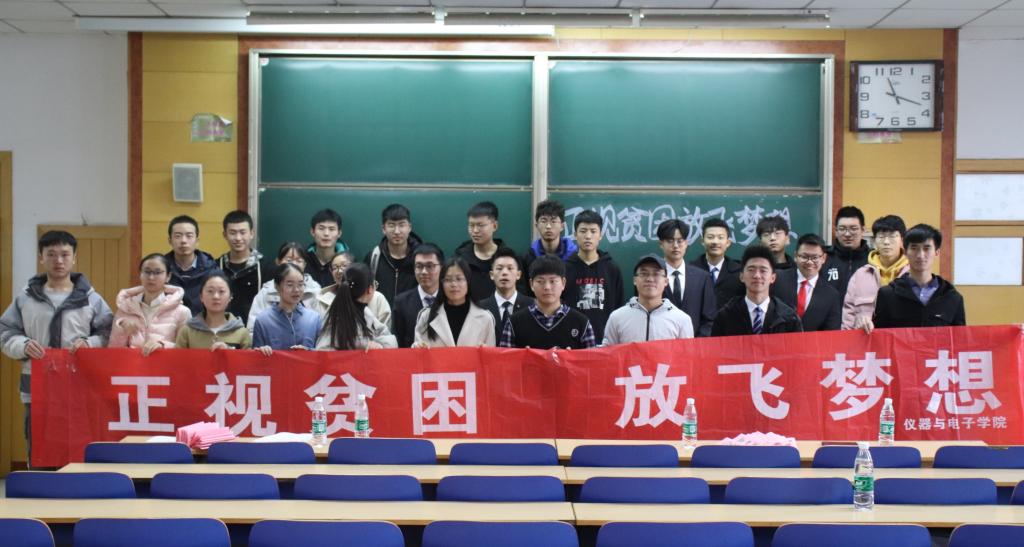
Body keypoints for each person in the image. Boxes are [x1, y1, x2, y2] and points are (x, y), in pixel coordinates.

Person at [0, 230, 113, 460]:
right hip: (37, 387)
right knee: (40, 449)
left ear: (74, 258)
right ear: (41, 258)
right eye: (51, 254)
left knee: (78, 449)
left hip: (79, 386)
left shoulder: (91, 299)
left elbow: (109, 333)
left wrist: (90, 343)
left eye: (64, 254)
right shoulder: (25, 298)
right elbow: (5, 331)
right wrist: (22, 345)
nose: (58, 260)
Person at [869, 224, 966, 331]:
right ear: (905, 252)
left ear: (937, 252)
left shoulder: (952, 297)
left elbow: (959, 338)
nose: (920, 255)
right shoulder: (887, 295)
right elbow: (879, 336)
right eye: (914, 248)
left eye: (926, 248)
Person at [499, 255, 596, 350]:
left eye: (553, 281)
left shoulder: (582, 323)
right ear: (531, 284)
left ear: (563, 283)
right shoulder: (514, 323)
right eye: (540, 281)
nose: (547, 287)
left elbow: (591, 360)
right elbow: (504, 359)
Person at [108, 253, 192, 355]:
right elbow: (113, 351)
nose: (151, 277)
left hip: (166, 364)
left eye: (157, 272)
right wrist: (122, 330)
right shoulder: (126, 308)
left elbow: (186, 350)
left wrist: (163, 345)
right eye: (147, 272)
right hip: (132, 364)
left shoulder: (182, 312)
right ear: (140, 274)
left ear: (168, 276)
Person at [711, 245, 802, 337]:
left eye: (763, 270)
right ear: (741, 276)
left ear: (773, 278)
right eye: (751, 270)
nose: (757, 276)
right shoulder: (725, 316)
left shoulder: (789, 317)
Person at [563, 210, 625, 342]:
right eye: (583, 231)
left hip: (605, 339)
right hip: (571, 339)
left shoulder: (611, 268)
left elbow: (619, 306)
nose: (588, 236)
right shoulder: (565, 268)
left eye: (593, 231)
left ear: (600, 235)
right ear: (575, 235)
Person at [603, 255, 694, 345]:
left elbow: (687, 353)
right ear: (634, 280)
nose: (650, 279)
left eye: (656, 274)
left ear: (666, 281)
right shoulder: (617, 317)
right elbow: (607, 352)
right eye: (644, 274)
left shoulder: (682, 320)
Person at [842, 215, 910, 330]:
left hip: (902, 339)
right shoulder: (860, 275)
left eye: (892, 236)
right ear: (874, 241)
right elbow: (848, 316)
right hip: (866, 338)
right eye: (881, 237)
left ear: (902, 240)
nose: (886, 242)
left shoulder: (912, 274)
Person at [413, 257, 496, 348]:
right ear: (441, 283)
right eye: (448, 280)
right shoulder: (426, 316)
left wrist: (485, 351)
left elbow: (491, 354)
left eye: (459, 279)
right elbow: (418, 352)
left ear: (468, 281)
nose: (454, 284)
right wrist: (418, 347)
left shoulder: (485, 318)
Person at [656, 218, 716, 337]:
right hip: (661, 343)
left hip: (695, 344)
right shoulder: (652, 277)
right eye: (670, 241)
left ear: (686, 243)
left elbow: (709, 319)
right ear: (661, 244)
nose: (676, 246)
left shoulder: (702, 277)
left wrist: (697, 343)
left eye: (680, 241)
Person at [316, 263, 397, 350]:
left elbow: (388, 339)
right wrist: (363, 345)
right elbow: (323, 350)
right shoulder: (337, 315)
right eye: (375, 284)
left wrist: (378, 345)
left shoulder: (365, 312)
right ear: (370, 289)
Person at [771, 234, 842, 332]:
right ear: (795, 256)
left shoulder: (831, 294)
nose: (809, 262)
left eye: (815, 257)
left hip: (813, 341)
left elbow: (831, 332)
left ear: (823, 258)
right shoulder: (777, 279)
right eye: (804, 257)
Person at [248, 242, 322, 331]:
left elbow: (322, 328)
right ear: (278, 262)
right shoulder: (266, 291)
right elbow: (253, 328)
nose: (294, 264)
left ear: (305, 264)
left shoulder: (315, 291)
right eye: (289, 260)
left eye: (299, 261)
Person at [175, 272, 256, 350]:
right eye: (210, 291)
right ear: (201, 297)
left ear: (230, 297)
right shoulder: (187, 331)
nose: (216, 296)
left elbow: (247, 358)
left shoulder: (241, 332)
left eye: (221, 291)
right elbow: (178, 358)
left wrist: (229, 350)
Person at [454, 201, 514, 303]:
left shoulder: (509, 258)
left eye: (480, 225)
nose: (475, 230)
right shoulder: (460, 258)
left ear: (494, 226)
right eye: (471, 225)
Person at [216, 210, 270, 325]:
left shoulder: (266, 267)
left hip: (255, 330)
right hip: (222, 329)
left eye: (242, 232)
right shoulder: (215, 266)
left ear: (252, 233)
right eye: (232, 233)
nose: (238, 238)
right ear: (225, 235)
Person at [252, 263, 321, 351]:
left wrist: (309, 351)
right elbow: (255, 355)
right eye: (290, 285)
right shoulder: (263, 320)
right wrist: (262, 351)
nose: (296, 290)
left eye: (300, 284)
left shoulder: (314, 318)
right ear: (277, 286)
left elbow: (322, 353)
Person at [365, 203, 423, 306]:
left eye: (402, 225)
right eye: (391, 225)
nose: (397, 231)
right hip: (380, 315)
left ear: (409, 227)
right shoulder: (373, 257)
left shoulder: (421, 258)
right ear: (383, 229)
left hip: (414, 315)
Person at [316, 251, 391, 327]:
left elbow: (384, 331)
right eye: (335, 268)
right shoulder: (323, 300)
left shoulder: (376, 298)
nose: (340, 271)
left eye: (344, 265)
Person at [165, 214, 220, 315]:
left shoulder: (212, 269)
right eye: (178, 236)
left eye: (189, 236)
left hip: (203, 323)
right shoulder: (161, 269)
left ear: (197, 241)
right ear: (170, 241)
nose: (183, 241)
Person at [391, 244, 444, 348]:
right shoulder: (401, 302)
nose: (424, 272)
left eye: (430, 266)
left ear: (442, 268)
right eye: (419, 266)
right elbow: (398, 343)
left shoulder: (450, 299)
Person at [521, 199, 578, 294]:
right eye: (544, 221)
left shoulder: (574, 257)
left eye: (553, 221)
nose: (548, 226)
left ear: (562, 226)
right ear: (536, 225)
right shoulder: (528, 258)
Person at [690, 217, 744, 311]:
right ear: (702, 241)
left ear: (728, 243)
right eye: (710, 237)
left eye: (720, 237)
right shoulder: (690, 270)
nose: (715, 242)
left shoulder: (739, 271)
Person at [480, 247, 535, 340]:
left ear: (518, 275)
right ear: (491, 275)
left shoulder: (532, 306)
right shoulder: (480, 308)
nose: (504, 272)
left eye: (510, 268)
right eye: (499, 268)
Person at [822, 205, 870, 297]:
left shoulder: (873, 258)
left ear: (863, 230)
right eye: (842, 229)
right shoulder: (823, 258)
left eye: (853, 229)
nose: (847, 234)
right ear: (836, 231)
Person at [305, 208, 350, 288]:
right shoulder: (303, 260)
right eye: (321, 228)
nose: (326, 233)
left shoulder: (349, 262)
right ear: (312, 232)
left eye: (331, 229)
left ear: (339, 233)